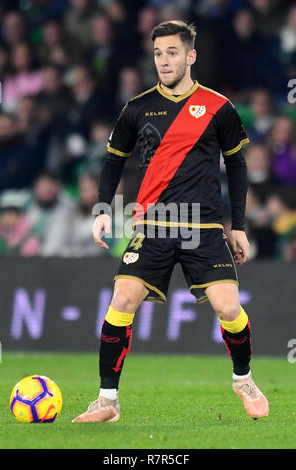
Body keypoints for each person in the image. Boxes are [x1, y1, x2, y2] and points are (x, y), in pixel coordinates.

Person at [73, 20, 269, 423]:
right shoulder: (138, 107)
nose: (164, 61)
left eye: (173, 52)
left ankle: (243, 379)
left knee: (229, 309)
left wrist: (239, 225)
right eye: (158, 53)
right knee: (121, 300)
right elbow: (113, 161)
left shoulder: (219, 107)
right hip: (153, 225)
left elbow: (237, 164)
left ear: (190, 56)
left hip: (203, 227)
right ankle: (107, 402)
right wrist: (103, 209)